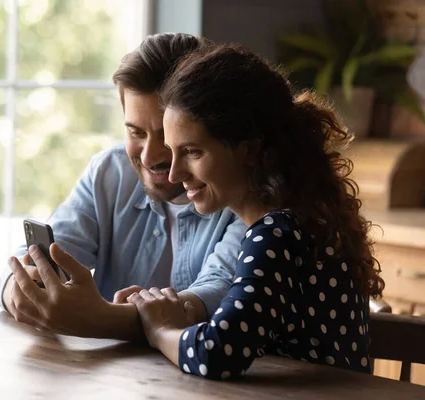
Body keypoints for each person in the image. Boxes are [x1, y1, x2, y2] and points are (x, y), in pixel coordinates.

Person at [122, 43, 385, 378]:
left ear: (248, 149)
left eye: (191, 152)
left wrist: (159, 329)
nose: (174, 174)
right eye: (173, 153)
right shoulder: (303, 221)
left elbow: (217, 354)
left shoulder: (277, 235)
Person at [0, 34, 247, 340]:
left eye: (166, 136)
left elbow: (222, 296)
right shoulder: (110, 172)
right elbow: (39, 255)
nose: (149, 156)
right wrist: (19, 290)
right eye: (136, 132)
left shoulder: (238, 189)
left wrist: (97, 318)